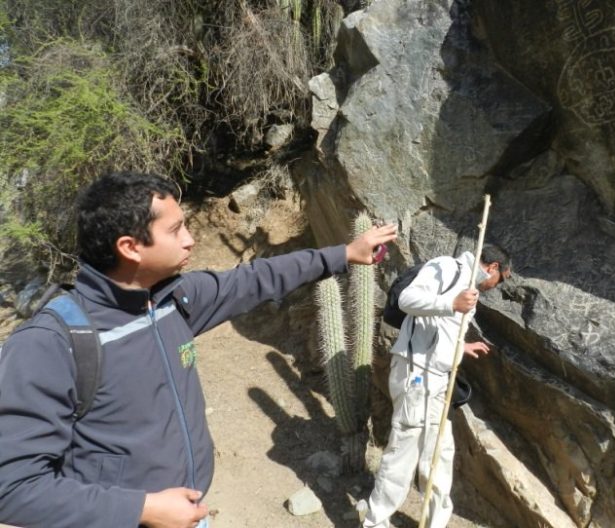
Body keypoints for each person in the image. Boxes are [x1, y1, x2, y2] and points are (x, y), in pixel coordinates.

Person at [0, 170, 397, 528]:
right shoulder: (51, 344)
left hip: (188, 515)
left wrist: (343, 255)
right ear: (130, 247)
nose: (190, 239)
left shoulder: (173, 300)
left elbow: (255, 279)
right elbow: (12, 488)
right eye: (175, 231)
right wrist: (143, 509)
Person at [360, 245, 511, 528]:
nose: (496, 286)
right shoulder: (447, 268)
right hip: (416, 373)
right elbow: (407, 299)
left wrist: (461, 346)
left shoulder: (468, 289)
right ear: (492, 268)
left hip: (437, 379)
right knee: (404, 452)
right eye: (500, 280)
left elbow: (439, 329)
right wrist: (451, 304)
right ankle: (375, 522)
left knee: (440, 454)